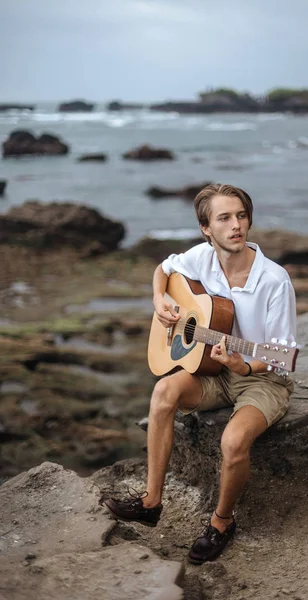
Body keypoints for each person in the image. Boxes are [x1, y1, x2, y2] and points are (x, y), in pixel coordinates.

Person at [101, 183, 297, 564]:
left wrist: (244, 365)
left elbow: (283, 356)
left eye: (241, 216)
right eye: (224, 218)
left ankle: (222, 522)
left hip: (262, 376)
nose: (236, 225)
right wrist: (160, 301)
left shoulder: (275, 280)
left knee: (233, 442)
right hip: (213, 370)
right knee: (163, 392)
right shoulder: (201, 258)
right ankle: (151, 502)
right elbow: (164, 268)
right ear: (206, 229)